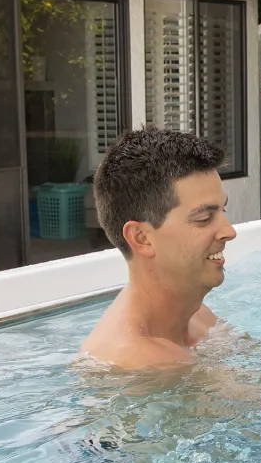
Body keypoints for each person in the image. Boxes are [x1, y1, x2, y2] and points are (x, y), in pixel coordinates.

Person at [79, 128, 237, 369]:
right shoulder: (134, 361)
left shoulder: (196, 315)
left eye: (222, 211)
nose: (230, 231)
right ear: (141, 238)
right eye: (204, 218)